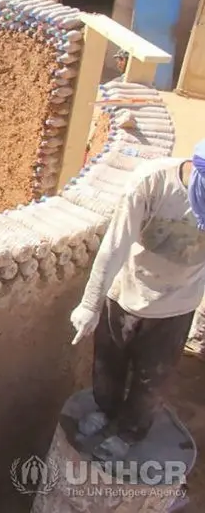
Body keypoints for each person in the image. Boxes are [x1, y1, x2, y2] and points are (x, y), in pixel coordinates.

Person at [69, 141, 205, 461]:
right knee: (109, 365)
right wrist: (90, 304)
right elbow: (114, 247)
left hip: (177, 307)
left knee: (152, 379)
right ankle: (106, 411)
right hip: (127, 293)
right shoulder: (152, 184)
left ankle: (129, 432)